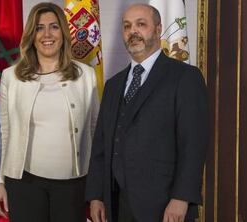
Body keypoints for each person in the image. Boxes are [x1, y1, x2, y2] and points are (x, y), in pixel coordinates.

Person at [86, 3, 209, 222]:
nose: (133, 31)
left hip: (164, 206)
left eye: (141, 24)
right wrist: (96, 195)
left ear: (158, 29)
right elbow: (101, 146)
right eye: (127, 26)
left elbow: (194, 144)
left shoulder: (185, 77)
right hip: (116, 205)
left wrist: (181, 197)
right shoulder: (113, 85)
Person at [0, 2, 99, 222]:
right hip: (23, 183)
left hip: (74, 185)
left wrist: (97, 189)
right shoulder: (11, 76)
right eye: (39, 28)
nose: (47, 34)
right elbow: (3, 132)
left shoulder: (86, 75)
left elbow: (96, 132)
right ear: (31, 34)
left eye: (54, 27)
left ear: (63, 32)